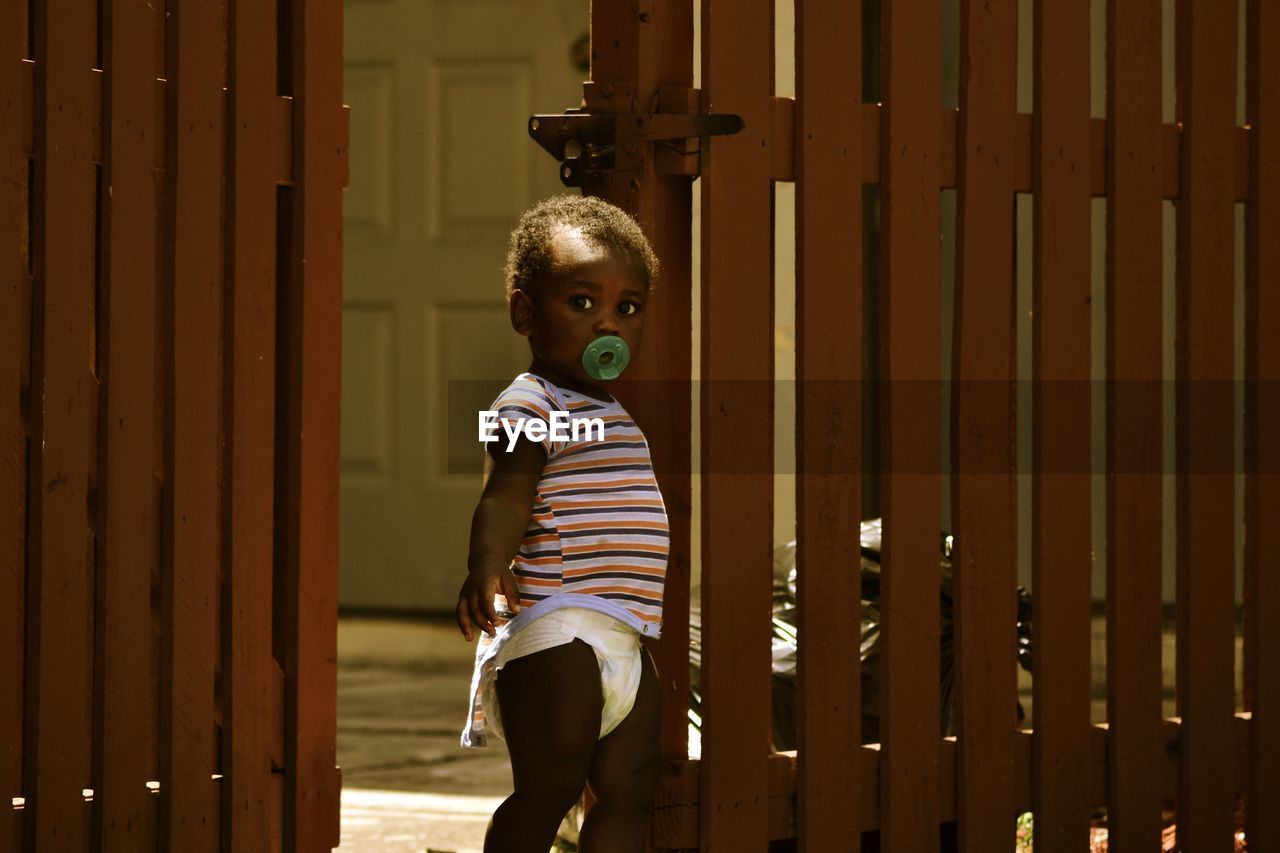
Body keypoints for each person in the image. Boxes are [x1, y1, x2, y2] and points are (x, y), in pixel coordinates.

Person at [456, 194, 668, 853]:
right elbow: (507, 491)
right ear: (526, 311)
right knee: (550, 786)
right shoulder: (533, 400)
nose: (607, 324)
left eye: (626, 308)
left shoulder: (609, 410)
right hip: (558, 629)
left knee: (631, 789)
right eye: (582, 303)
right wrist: (488, 563)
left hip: (623, 635)